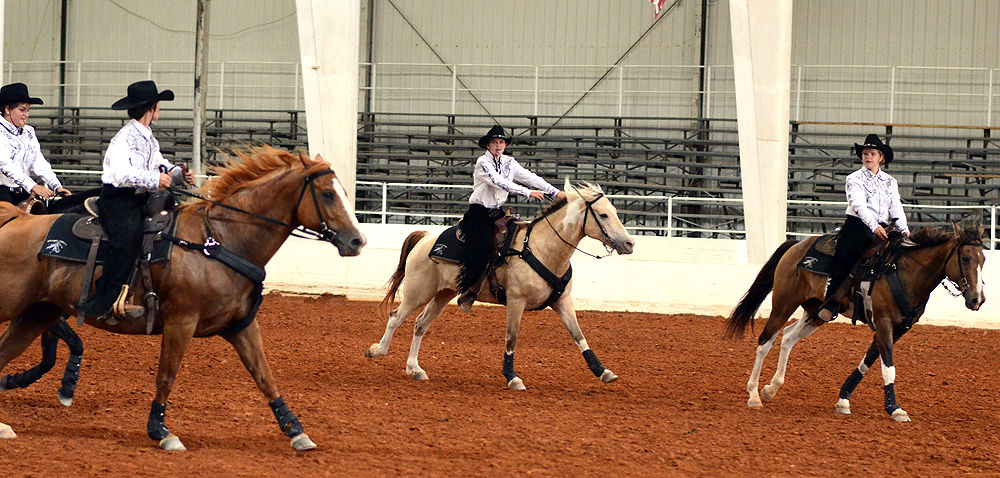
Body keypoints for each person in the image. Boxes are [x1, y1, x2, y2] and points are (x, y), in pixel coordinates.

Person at [78, 80, 194, 320]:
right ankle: (106, 301)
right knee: (128, 238)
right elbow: (121, 175)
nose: (159, 109)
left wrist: (179, 174)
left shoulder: (149, 137)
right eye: (158, 104)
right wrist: (154, 179)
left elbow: (161, 163)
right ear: (151, 107)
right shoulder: (124, 138)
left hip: (138, 197)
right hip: (118, 199)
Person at [455, 125, 566, 312]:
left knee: (518, 240)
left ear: (505, 145)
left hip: (497, 212)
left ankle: (506, 283)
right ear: (488, 145)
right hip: (479, 213)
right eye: (494, 142)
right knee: (482, 246)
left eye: (501, 142)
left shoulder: (509, 162)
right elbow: (499, 181)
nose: (498, 146)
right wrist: (527, 192)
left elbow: (530, 177)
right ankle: (469, 290)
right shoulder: (482, 162)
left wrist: (555, 192)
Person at [817, 133, 910, 322]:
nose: (868, 157)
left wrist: (903, 228)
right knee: (850, 252)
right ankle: (833, 299)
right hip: (858, 226)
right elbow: (858, 205)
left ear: (880, 158)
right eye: (865, 153)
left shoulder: (890, 181)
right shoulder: (854, 178)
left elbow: (896, 206)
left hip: (883, 227)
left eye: (872, 154)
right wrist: (874, 226)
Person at [0, 82, 71, 206]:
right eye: (22, 110)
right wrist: (33, 186)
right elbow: (5, 165)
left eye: (28, 110)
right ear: (7, 109)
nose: (26, 115)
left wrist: (56, 185)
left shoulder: (29, 131)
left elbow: (38, 161)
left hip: (23, 190)